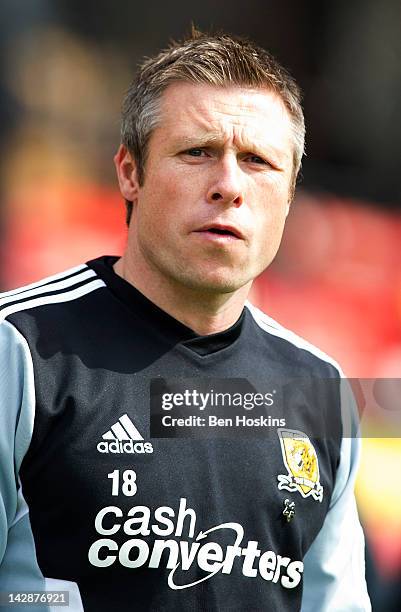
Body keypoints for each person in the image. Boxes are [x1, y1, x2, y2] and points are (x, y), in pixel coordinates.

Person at [0, 29, 371, 611]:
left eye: (258, 162)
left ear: (291, 194)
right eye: (198, 152)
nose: (228, 186)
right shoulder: (18, 349)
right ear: (130, 173)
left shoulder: (318, 387)